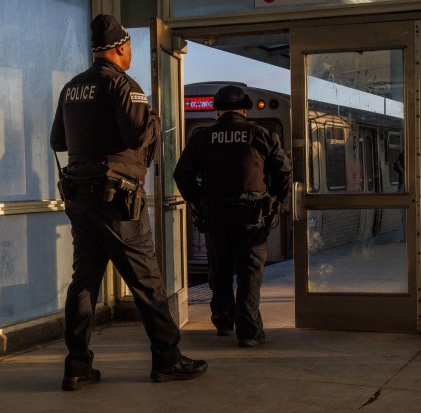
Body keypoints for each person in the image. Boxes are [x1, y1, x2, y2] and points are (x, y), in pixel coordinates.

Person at [50, 14, 207, 391]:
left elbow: (59, 140)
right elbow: (138, 135)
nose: (130, 51)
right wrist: (154, 118)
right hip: (118, 202)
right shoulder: (123, 85)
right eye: (129, 47)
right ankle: (168, 359)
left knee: (83, 284)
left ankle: (77, 366)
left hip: (81, 200)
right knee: (148, 283)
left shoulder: (72, 88)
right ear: (121, 48)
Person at [173, 85, 291, 347]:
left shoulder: (203, 137)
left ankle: (224, 320)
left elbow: (182, 175)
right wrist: (275, 201)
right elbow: (284, 171)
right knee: (250, 272)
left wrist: (197, 202)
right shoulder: (260, 134)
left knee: (220, 268)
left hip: (215, 215)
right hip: (252, 214)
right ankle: (248, 331)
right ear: (245, 109)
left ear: (217, 110)